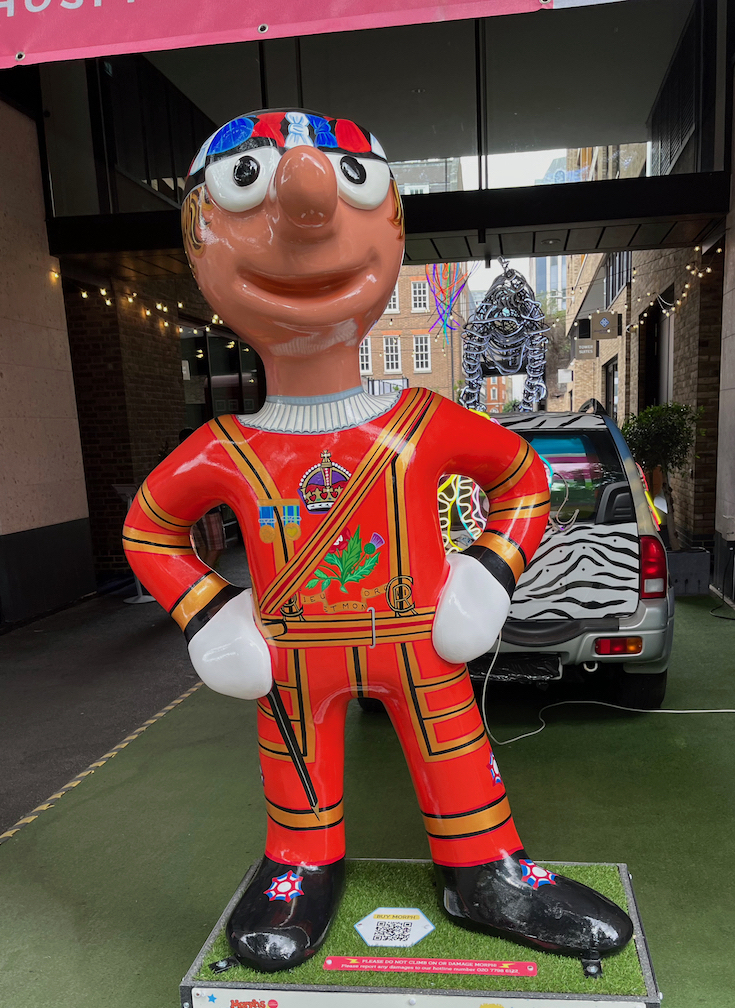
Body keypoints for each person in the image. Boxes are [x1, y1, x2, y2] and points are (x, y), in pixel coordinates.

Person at [123, 109, 632, 971]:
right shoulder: (228, 448)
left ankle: (483, 869)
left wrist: (486, 573)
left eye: (351, 183)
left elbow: (521, 480)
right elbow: (150, 527)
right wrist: (209, 613)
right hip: (295, 651)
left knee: (453, 751)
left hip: (416, 638)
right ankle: (299, 863)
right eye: (246, 186)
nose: (307, 205)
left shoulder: (420, 422)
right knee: (297, 770)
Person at [178, 428, 226, 569]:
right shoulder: (201, 456)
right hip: (207, 507)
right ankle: (204, 579)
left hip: (191, 508)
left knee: (202, 548)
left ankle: (201, 576)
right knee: (216, 547)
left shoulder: (181, 459)